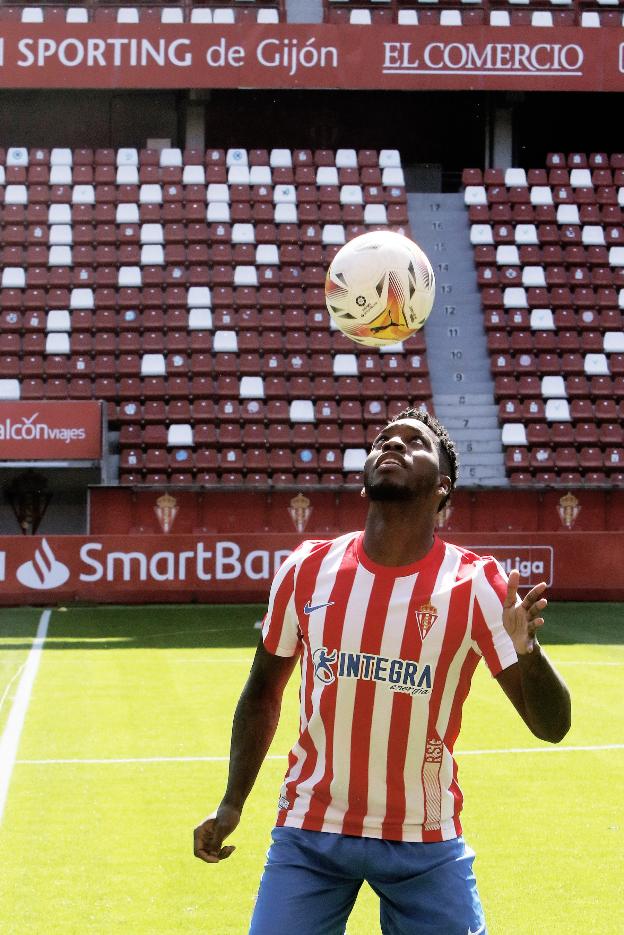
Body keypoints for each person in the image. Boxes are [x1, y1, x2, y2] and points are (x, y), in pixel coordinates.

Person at [194, 407, 571, 935]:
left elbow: (551, 726)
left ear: (443, 488)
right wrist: (232, 801)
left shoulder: (475, 585)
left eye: (414, 442)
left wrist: (529, 651)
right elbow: (262, 693)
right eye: (383, 439)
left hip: (424, 837)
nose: (392, 444)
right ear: (365, 480)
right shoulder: (307, 568)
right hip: (312, 829)